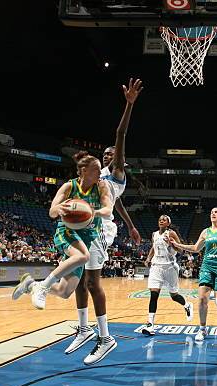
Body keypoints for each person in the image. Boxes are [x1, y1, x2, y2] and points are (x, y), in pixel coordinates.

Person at [65, 78, 143, 365]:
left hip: (100, 228)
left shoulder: (118, 172)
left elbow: (120, 134)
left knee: (93, 282)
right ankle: (85, 329)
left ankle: (106, 337)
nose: (108, 155)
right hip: (88, 225)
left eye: (112, 154)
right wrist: (132, 226)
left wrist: (129, 104)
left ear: (119, 159)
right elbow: (118, 202)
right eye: (105, 153)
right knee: (79, 280)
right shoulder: (102, 181)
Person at [12, 151, 113, 313]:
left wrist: (94, 212)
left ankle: (30, 284)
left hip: (86, 237)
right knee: (84, 256)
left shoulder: (101, 186)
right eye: (97, 169)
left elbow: (108, 210)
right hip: (67, 232)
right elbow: (52, 212)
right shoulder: (69, 186)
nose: (100, 173)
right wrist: (61, 208)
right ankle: (43, 287)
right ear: (85, 170)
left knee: (64, 292)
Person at [169, 207, 217, 342]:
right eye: (211, 212)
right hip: (207, 267)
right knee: (202, 299)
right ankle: (202, 329)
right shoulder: (206, 232)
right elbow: (195, 248)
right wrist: (177, 244)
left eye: (216, 212)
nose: (213, 214)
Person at [141, 215, 193, 336]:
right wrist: (148, 258)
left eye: (164, 220)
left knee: (174, 296)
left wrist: (172, 244)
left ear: (168, 223)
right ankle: (150, 325)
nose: (161, 221)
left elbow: (181, 250)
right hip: (156, 266)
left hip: (170, 267)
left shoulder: (172, 233)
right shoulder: (154, 234)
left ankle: (187, 305)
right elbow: (153, 248)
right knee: (154, 295)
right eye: (160, 219)